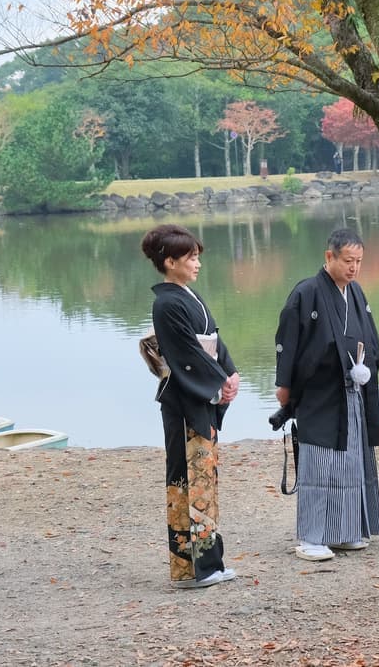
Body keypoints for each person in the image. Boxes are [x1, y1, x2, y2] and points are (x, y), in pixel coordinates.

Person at [141, 224, 240, 589]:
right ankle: (193, 568)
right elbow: (186, 355)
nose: (197, 263)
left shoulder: (187, 296)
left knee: (203, 476)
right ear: (170, 261)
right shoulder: (166, 303)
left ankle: (205, 565)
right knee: (188, 476)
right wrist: (216, 386)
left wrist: (230, 375)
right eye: (190, 257)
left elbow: (213, 339)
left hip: (202, 392)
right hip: (185, 399)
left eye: (197, 257)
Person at [275, 228, 379, 562]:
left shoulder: (357, 293)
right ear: (329, 257)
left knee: (350, 463)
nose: (354, 268)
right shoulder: (306, 293)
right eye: (348, 260)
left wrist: (367, 366)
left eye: (359, 261)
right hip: (319, 394)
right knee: (319, 465)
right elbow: (288, 343)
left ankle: (344, 532)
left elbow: (370, 337)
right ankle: (311, 537)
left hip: (352, 392)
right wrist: (285, 387)